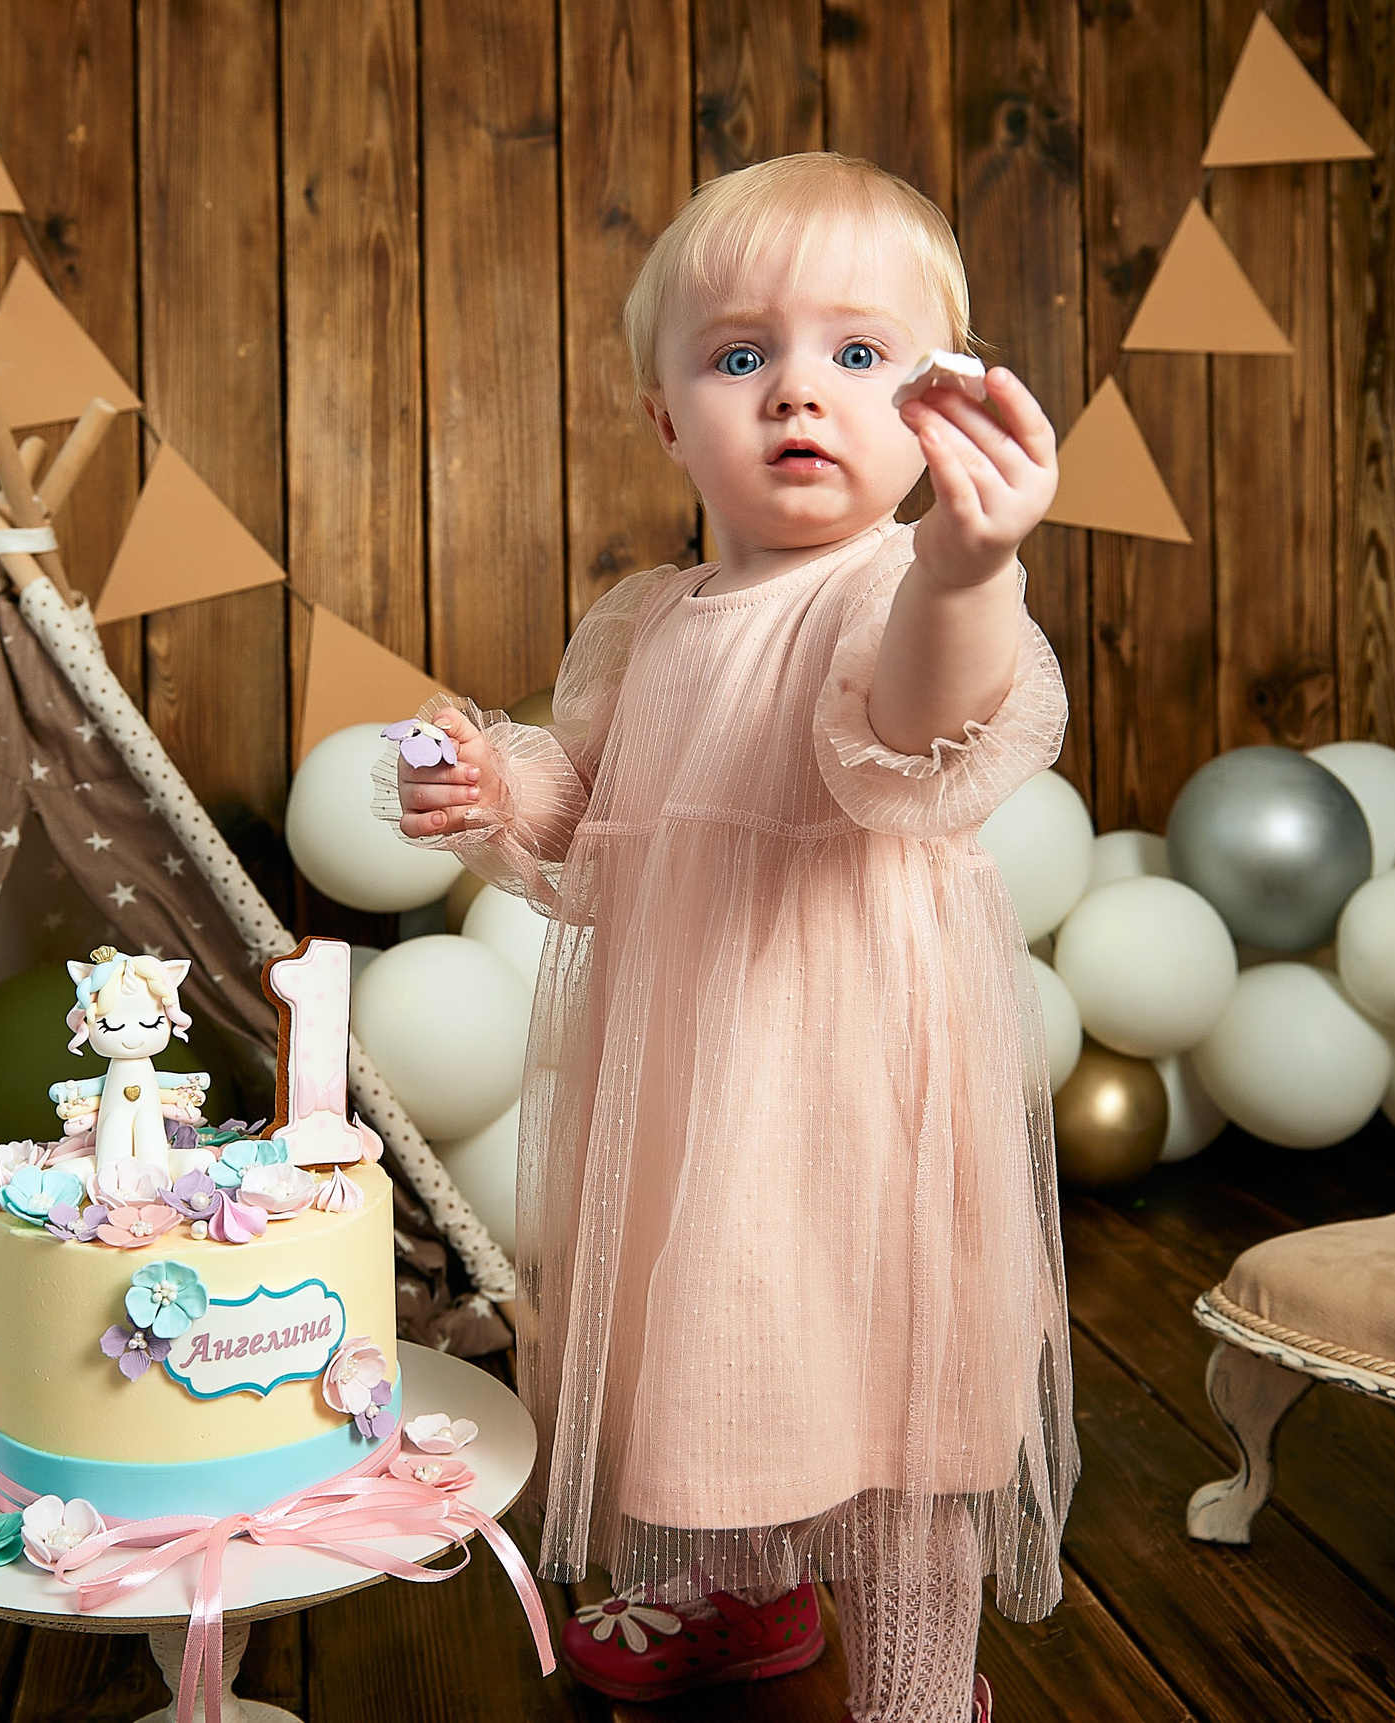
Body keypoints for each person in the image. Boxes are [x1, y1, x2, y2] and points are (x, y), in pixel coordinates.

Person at [382, 152, 1075, 1723]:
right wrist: (498, 780)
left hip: (862, 1078)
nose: (797, 395)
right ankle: (743, 1592)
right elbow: (596, 816)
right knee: (717, 1337)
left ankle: (917, 1684)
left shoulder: (900, 588)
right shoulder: (657, 618)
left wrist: (973, 563)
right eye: (740, 355)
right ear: (666, 416)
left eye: (859, 353)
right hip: (697, 1071)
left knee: (896, 1380)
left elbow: (917, 721)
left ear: (939, 406)